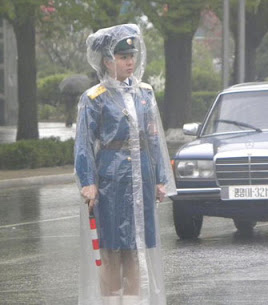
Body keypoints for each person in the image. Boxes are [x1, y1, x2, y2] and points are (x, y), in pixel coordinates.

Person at [74, 24, 176, 305]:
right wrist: (88, 182)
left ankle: (133, 301)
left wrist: (159, 178)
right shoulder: (94, 99)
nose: (129, 61)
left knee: (135, 247)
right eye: (122, 57)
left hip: (140, 176)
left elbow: (154, 140)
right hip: (110, 179)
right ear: (107, 60)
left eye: (132, 55)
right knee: (111, 249)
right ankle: (111, 301)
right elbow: (83, 144)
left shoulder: (144, 93)